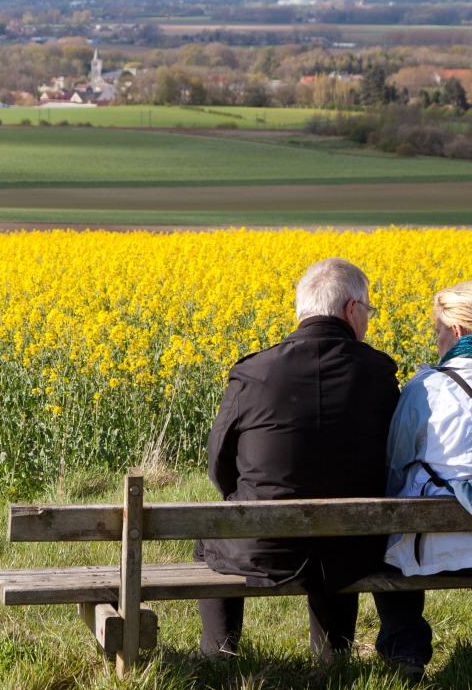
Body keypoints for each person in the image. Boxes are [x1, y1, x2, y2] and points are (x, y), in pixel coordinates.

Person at [197, 257, 427, 666]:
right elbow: (396, 458)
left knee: (212, 533)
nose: (368, 320)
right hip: (359, 548)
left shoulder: (253, 373)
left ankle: (219, 654)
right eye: (368, 311)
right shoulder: (378, 374)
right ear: (351, 310)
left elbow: (219, 463)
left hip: (265, 546)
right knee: (338, 534)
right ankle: (333, 655)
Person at [384, 281, 472, 580]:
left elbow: (395, 465)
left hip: (444, 549)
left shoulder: (427, 388)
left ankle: (403, 628)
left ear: (457, 330)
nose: (437, 342)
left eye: (438, 332)